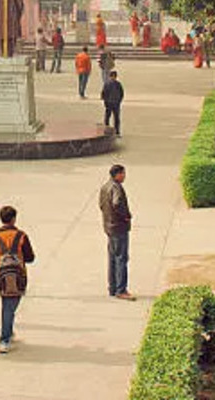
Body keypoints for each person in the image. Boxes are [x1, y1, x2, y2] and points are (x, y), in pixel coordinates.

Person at [0, 205, 35, 354]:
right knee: (10, 306)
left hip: (2, 276)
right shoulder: (21, 236)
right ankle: (5, 338)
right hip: (19, 276)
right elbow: (30, 257)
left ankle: (8, 332)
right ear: (13, 219)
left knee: (7, 303)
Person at [99, 164, 134, 300]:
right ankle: (121, 289)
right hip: (119, 227)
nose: (124, 176)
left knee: (113, 258)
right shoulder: (116, 188)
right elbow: (117, 203)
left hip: (109, 227)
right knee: (121, 258)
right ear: (117, 174)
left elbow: (101, 205)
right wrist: (126, 215)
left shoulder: (105, 187)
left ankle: (112, 287)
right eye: (123, 174)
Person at [101, 69, 125, 136]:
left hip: (115, 103)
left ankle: (116, 131)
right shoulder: (108, 84)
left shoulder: (117, 84)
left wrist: (119, 101)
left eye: (114, 76)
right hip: (110, 103)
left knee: (116, 118)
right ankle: (107, 130)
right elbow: (104, 94)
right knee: (108, 117)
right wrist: (106, 102)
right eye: (112, 76)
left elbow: (121, 93)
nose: (113, 78)